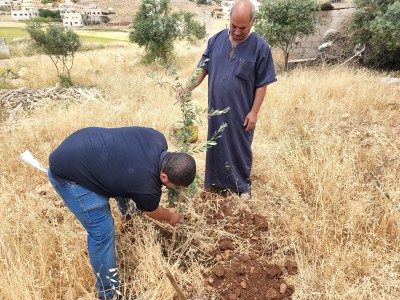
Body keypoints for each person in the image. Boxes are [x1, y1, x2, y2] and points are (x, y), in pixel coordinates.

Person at [47, 126, 196, 300]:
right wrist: (171, 217)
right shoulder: (147, 188)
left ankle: (129, 218)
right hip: (69, 176)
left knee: (125, 178)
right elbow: (152, 211)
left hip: (82, 143)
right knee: (102, 232)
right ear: (164, 177)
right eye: (175, 187)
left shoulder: (157, 138)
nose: (175, 190)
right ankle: (109, 294)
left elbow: (125, 162)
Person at [187, 0, 277, 200]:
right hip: (216, 110)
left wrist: (254, 112)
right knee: (215, 144)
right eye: (233, 26)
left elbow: (262, 84)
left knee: (239, 147)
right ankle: (214, 182)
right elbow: (203, 68)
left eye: (242, 28)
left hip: (241, 112)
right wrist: (187, 87)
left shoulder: (260, 48)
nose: (236, 31)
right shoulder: (215, 41)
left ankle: (241, 186)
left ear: (252, 22)